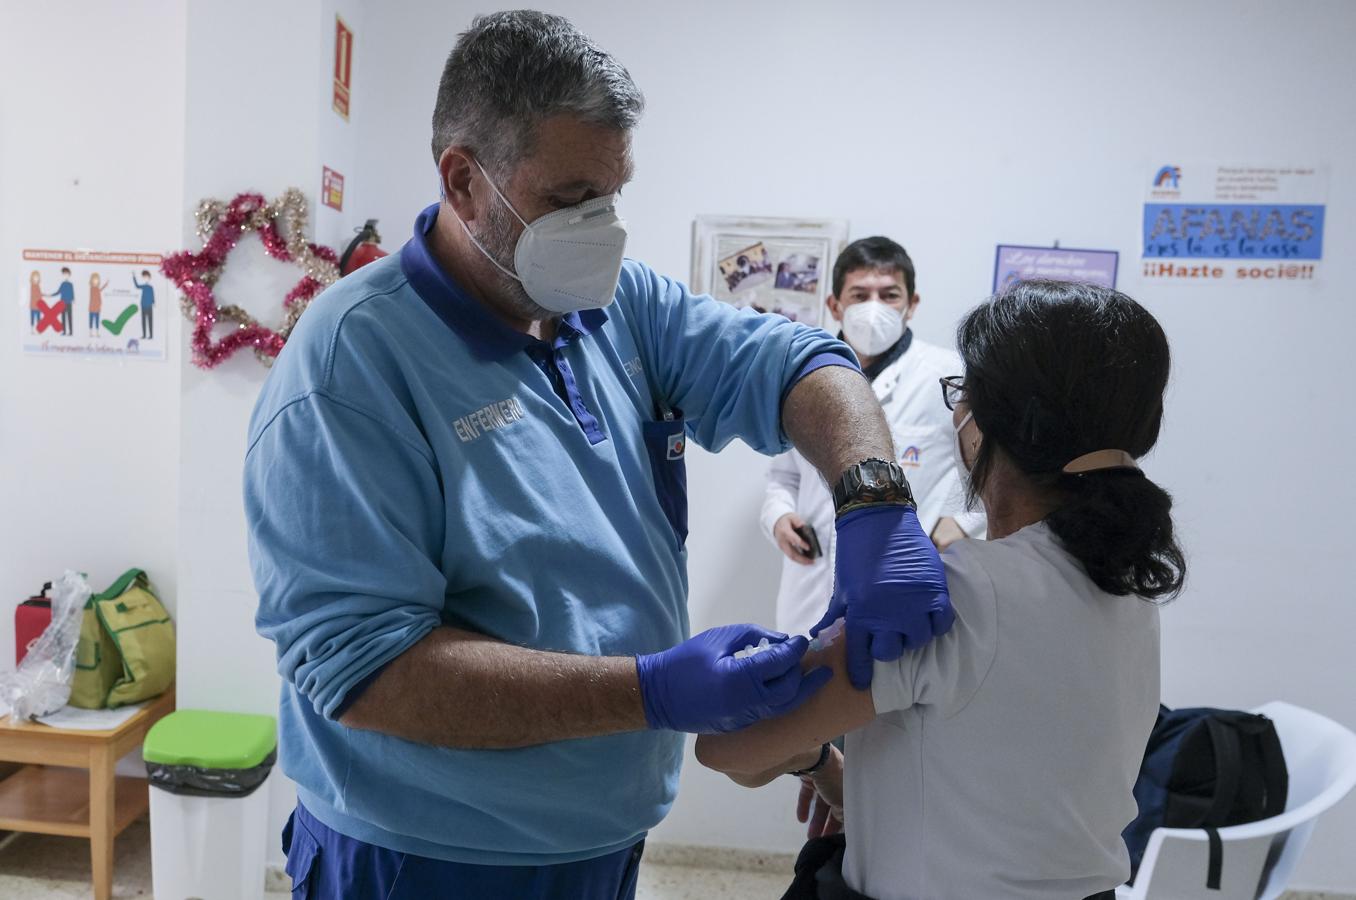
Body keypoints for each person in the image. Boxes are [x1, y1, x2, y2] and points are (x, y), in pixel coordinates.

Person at [244, 12, 950, 898]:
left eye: (611, 196)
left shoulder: (615, 306)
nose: (601, 228)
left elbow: (798, 363)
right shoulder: (353, 363)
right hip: (425, 855)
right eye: (570, 199)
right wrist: (649, 693)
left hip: (602, 837)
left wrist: (874, 499)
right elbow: (369, 671)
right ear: (465, 181)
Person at [698, 280, 1186, 900]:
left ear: (985, 427)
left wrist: (808, 756)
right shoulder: (1129, 582)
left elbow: (729, 749)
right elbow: (999, 788)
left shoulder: (957, 591)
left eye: (962, 395)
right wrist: (854, 785)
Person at [763, 238, 985, 638]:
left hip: (903, 584)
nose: (874, 307)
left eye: (889, 295)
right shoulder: (798, 373)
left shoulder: (948, 377)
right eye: (860, 295)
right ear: (835, 305)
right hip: (810, 586)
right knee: (803, 686)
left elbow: (991, 468)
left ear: (912, 303)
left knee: (897, 690)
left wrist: (965, 523)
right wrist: (778, 517)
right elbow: (784, 475)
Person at [49, 267, 74, 336]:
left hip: (69, 303)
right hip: (62, 303)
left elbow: (72, 293)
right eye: (64, 274)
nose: (65, 275)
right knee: (63, 318)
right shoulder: (62, 284)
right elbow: (58, 292)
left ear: (69, 274)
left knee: (69, 317)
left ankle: (71, 332)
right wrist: (50, 295)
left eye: (67, 274)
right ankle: (64, 331)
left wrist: (73, 299)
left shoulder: (70, 284)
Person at [132, 270, 155, 339]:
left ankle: (151, 335)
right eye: (144, 277)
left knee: (150, 320)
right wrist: (134, 277)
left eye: (147, 277)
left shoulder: (151, 287)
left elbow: (152, 295)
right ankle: (144, 335)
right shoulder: (143, 286)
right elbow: (137, 286)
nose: (145, 278)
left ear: (149, 277)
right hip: (143, 305)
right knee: (143, 321)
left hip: (149, 305)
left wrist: (153, 302)